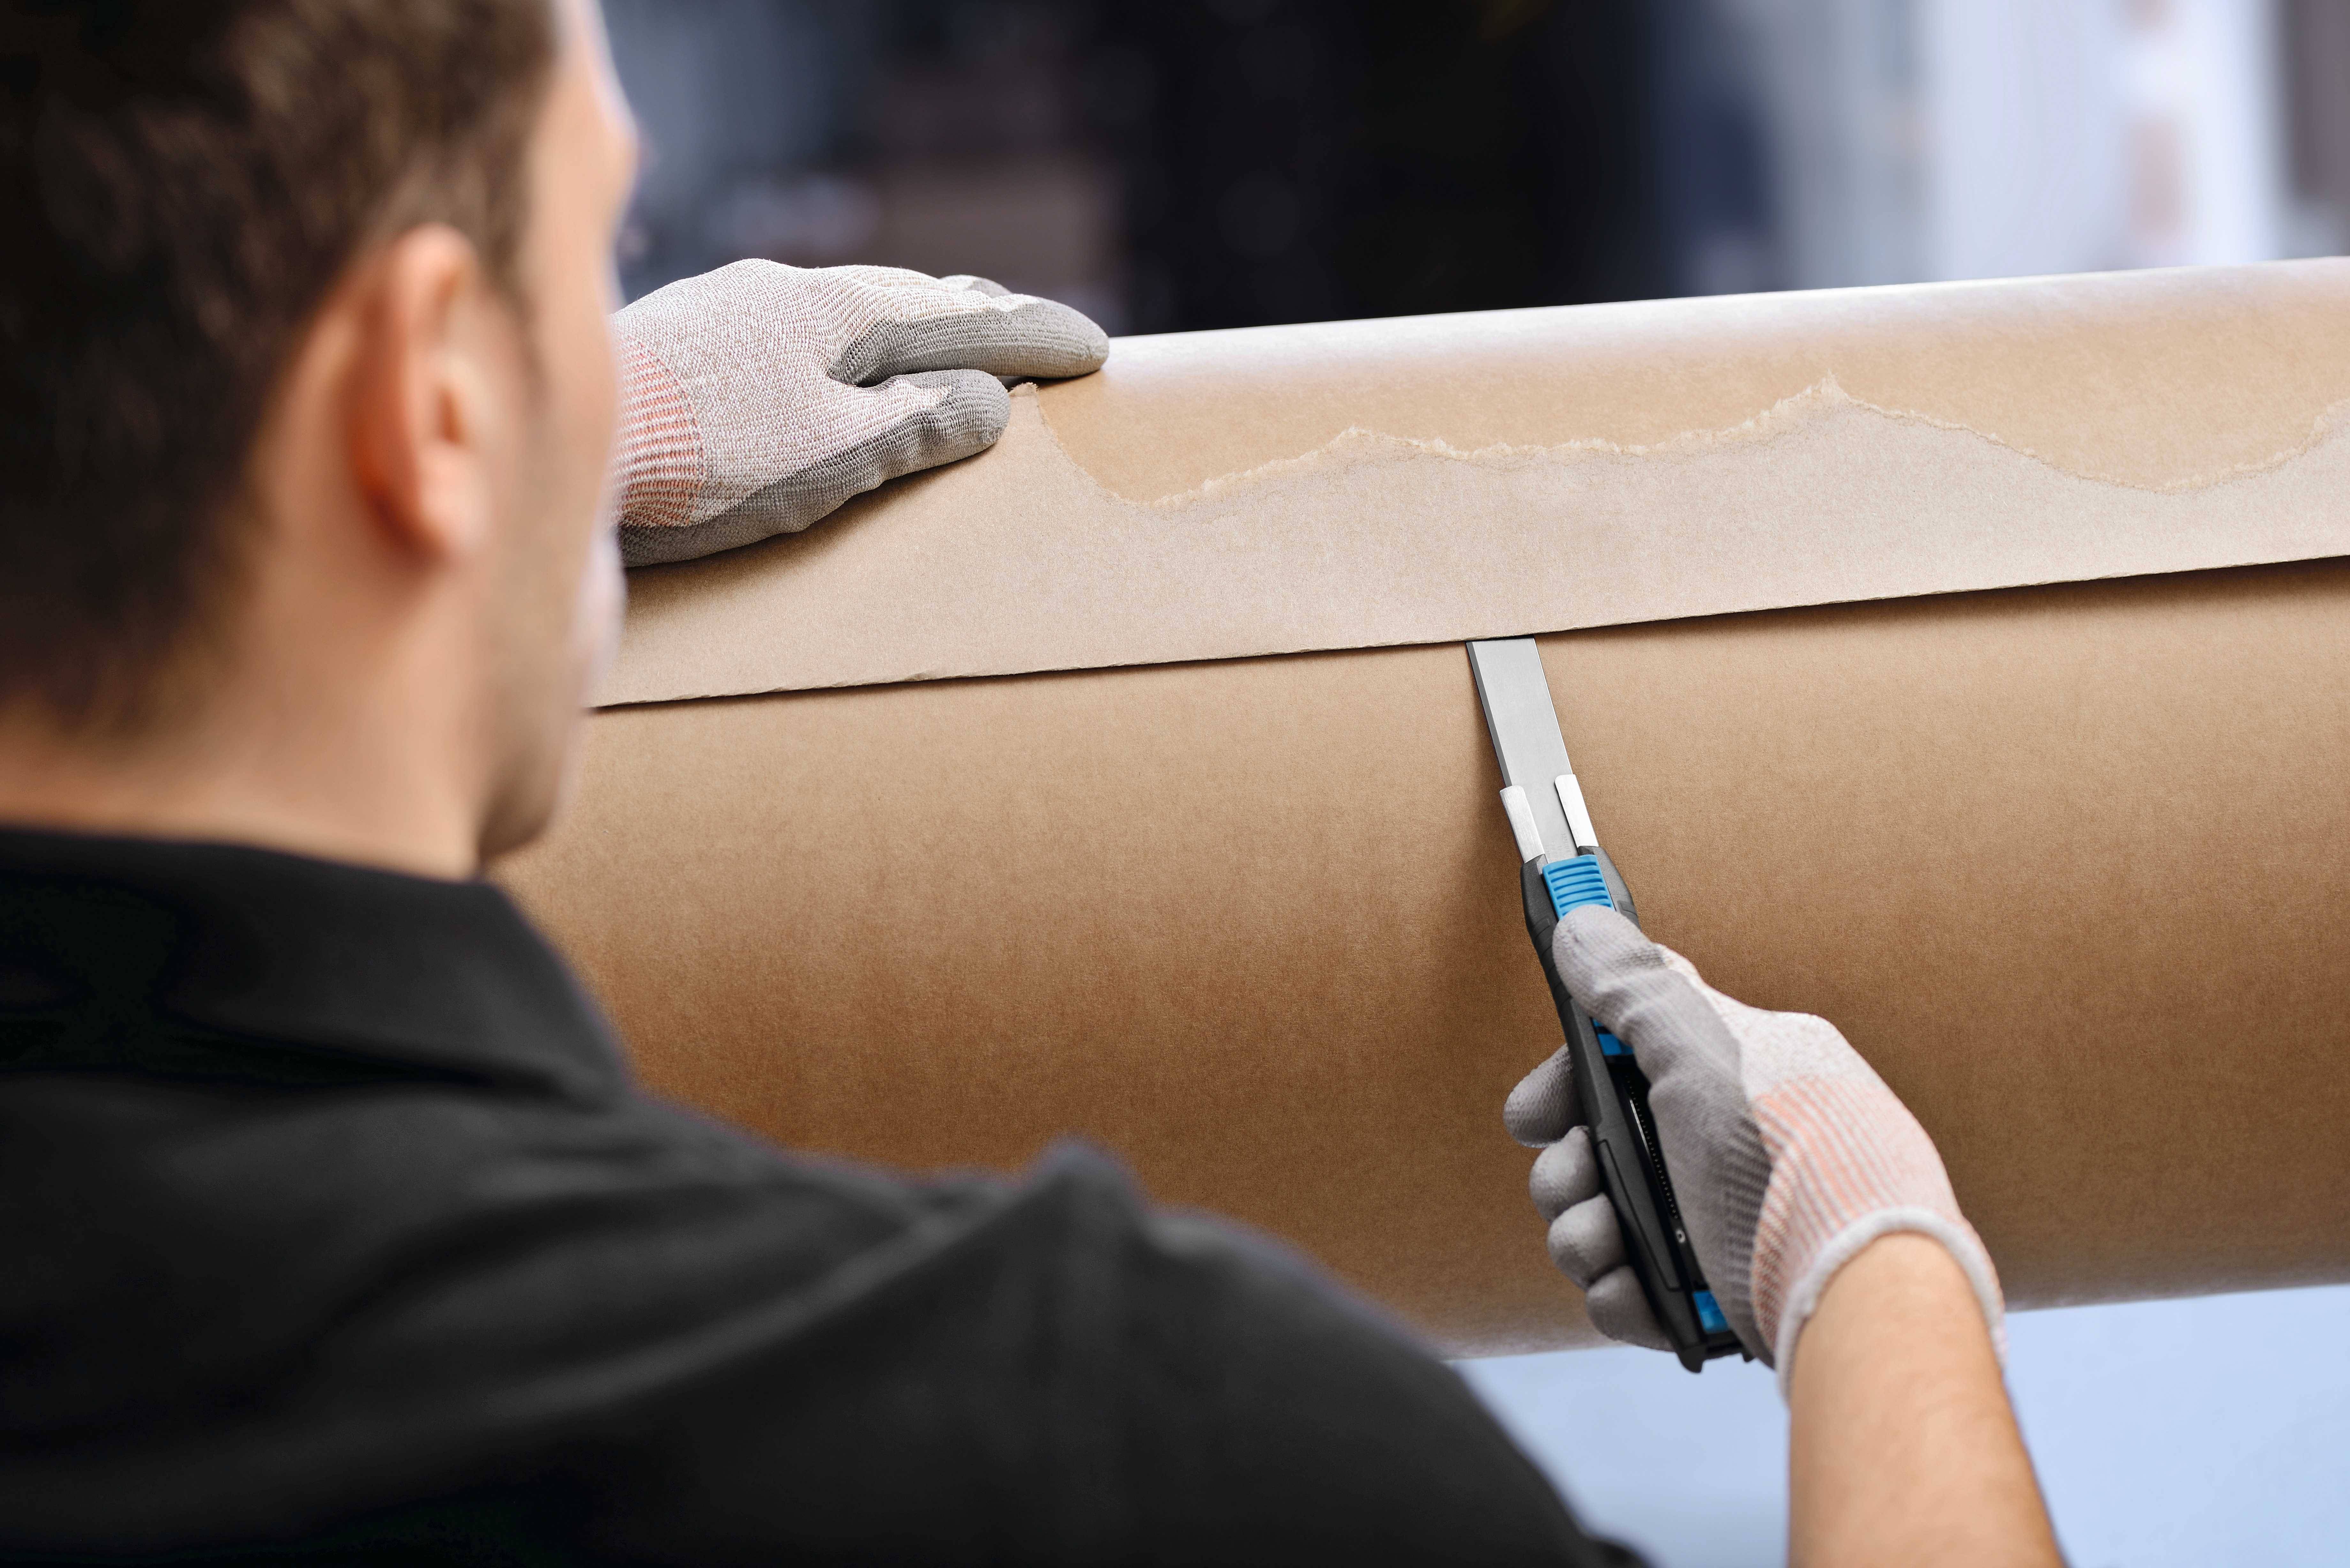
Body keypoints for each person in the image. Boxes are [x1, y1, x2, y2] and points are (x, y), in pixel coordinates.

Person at [0, 0, 2060, 1562]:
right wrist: (1860, 1248)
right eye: (588, 243)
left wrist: (553, 450)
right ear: (427, 397)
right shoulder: (1098, 1449)